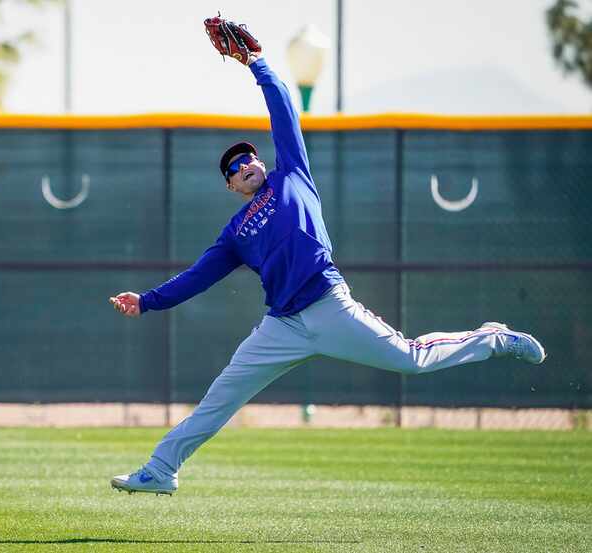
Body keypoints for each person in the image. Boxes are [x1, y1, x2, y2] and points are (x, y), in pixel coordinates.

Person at [107, 26, 546, 496]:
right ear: (231, 187)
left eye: (247, 158)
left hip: (329, 304)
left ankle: (491, 339)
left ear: (261, 162)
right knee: (219, 398)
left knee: (411, 360)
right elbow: (197, 277)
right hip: (282, 326)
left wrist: (257, 63)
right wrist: (148, 301)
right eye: (233, 169)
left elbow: (282, 112)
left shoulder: (291, 174)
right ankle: (161, 470)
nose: (243, 166)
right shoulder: (234, 233)